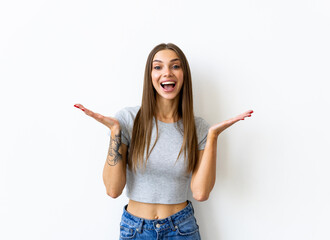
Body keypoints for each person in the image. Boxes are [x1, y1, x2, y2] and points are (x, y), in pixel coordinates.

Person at [74, 43, 253, 239]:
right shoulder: (127, 119)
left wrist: (213, 137)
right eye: (158, 67)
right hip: (135, 230)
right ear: (150, 76)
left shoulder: (198, 127)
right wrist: (115, 132)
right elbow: (112, 189)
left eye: (175, 66)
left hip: (181, 229)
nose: (167, 73)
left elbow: (201, 193)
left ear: (184, 75)